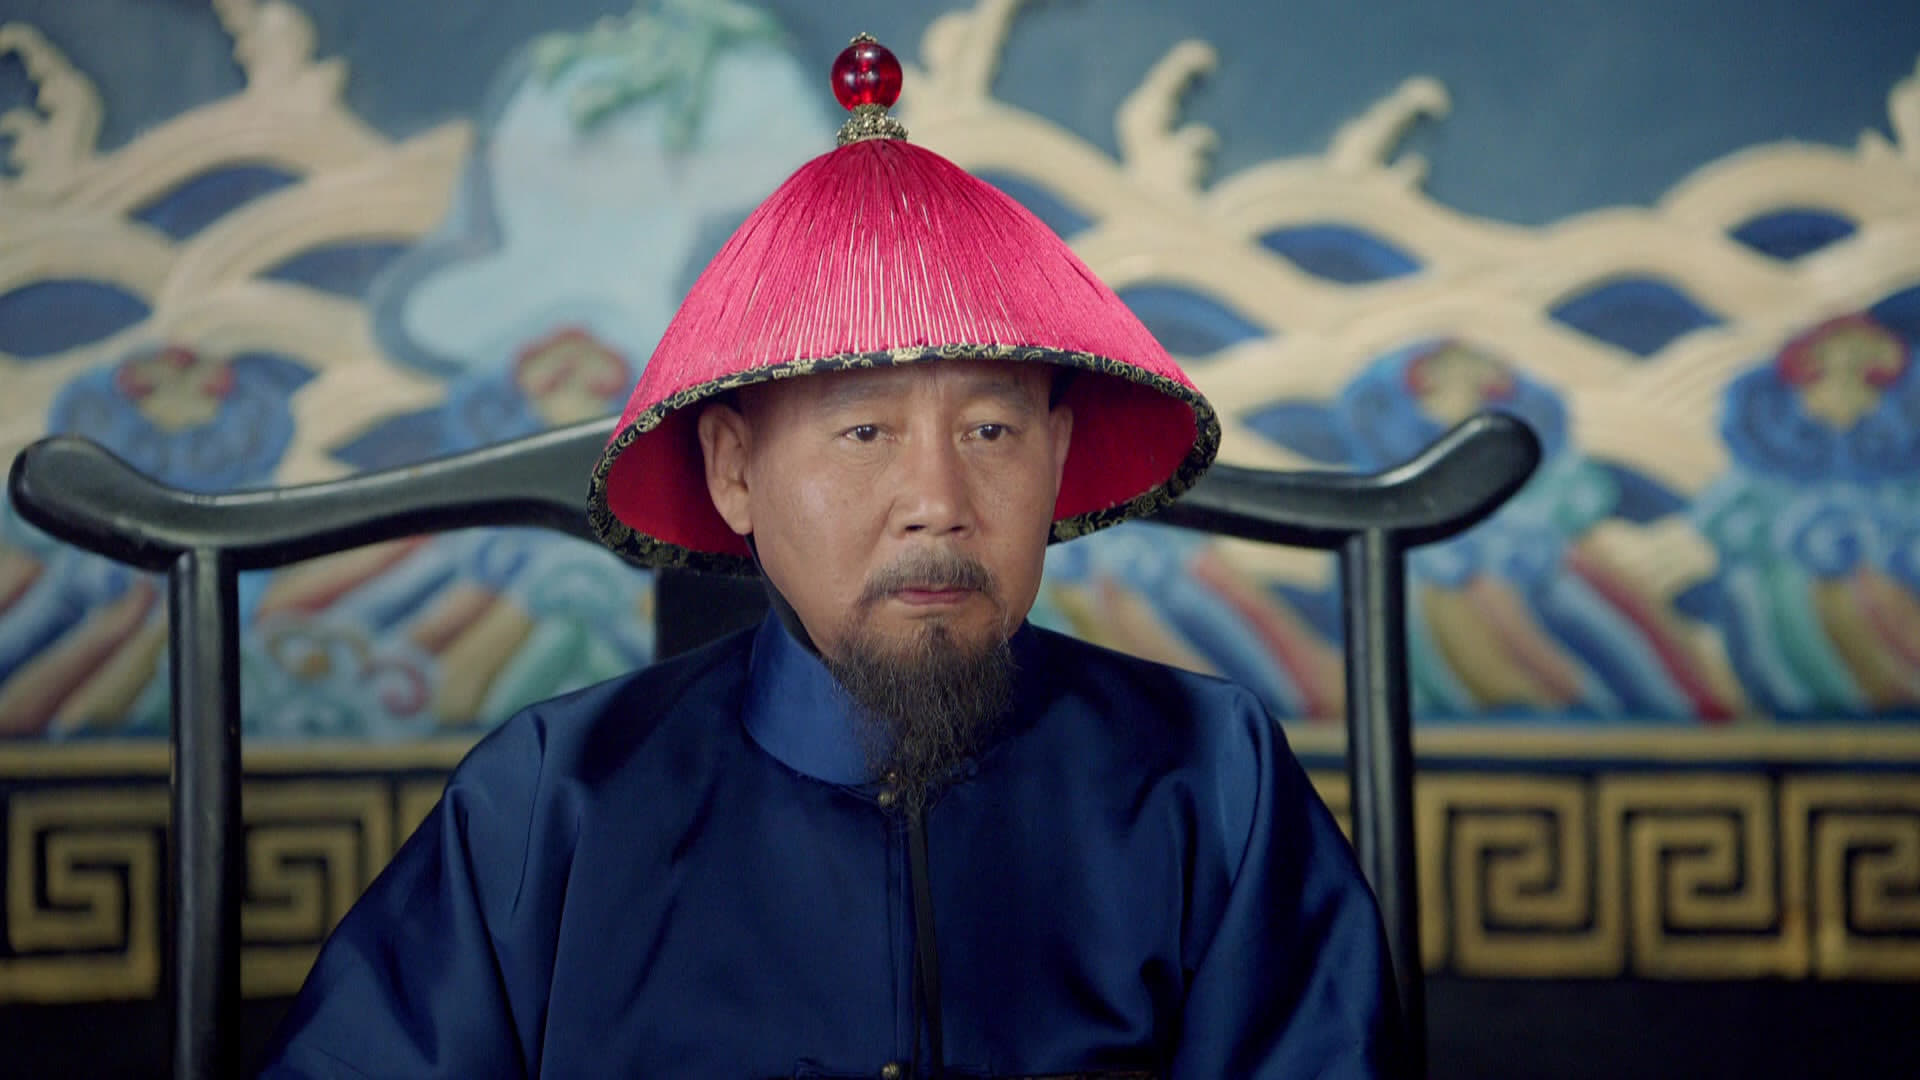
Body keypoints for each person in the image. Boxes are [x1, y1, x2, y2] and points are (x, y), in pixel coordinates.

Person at [260, 34, 1408, 1080]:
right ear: (733, 470)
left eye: (991, 432)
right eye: (865, 433)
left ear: (1058, 453)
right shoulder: (548, 807)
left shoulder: (1212, 781)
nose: (938, 505)